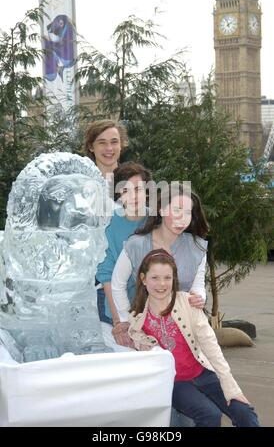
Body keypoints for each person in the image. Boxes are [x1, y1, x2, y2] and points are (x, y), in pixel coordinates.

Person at [128, 249, 260, 427]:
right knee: (209, 414)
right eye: (155, 278)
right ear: (143, 279)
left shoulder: (187, 303)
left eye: (167, 278)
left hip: (203, 372)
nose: (162, 284)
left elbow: (211, 346)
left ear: (174, 279)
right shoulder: (137, 316)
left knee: (243, 410)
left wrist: (230, 386)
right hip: (175, 383)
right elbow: (136, 339)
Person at [111, 184, 209, 344]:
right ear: (162, 210)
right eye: (176, 210)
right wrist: (127, 319)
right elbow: (117, 284)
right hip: (145, 328)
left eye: (187, 212)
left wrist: (199, 297)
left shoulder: (197, 247)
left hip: (185, 327)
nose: (182, 218)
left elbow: (198, 285)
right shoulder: (136, 244)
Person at [96, 162, 152, 345]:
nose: (134, 196)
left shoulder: (158, 221)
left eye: (138, 189)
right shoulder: (109, 225)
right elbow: (106, 276)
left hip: (152, 308)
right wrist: (119, 320)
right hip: (118, 307)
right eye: (126, 190)